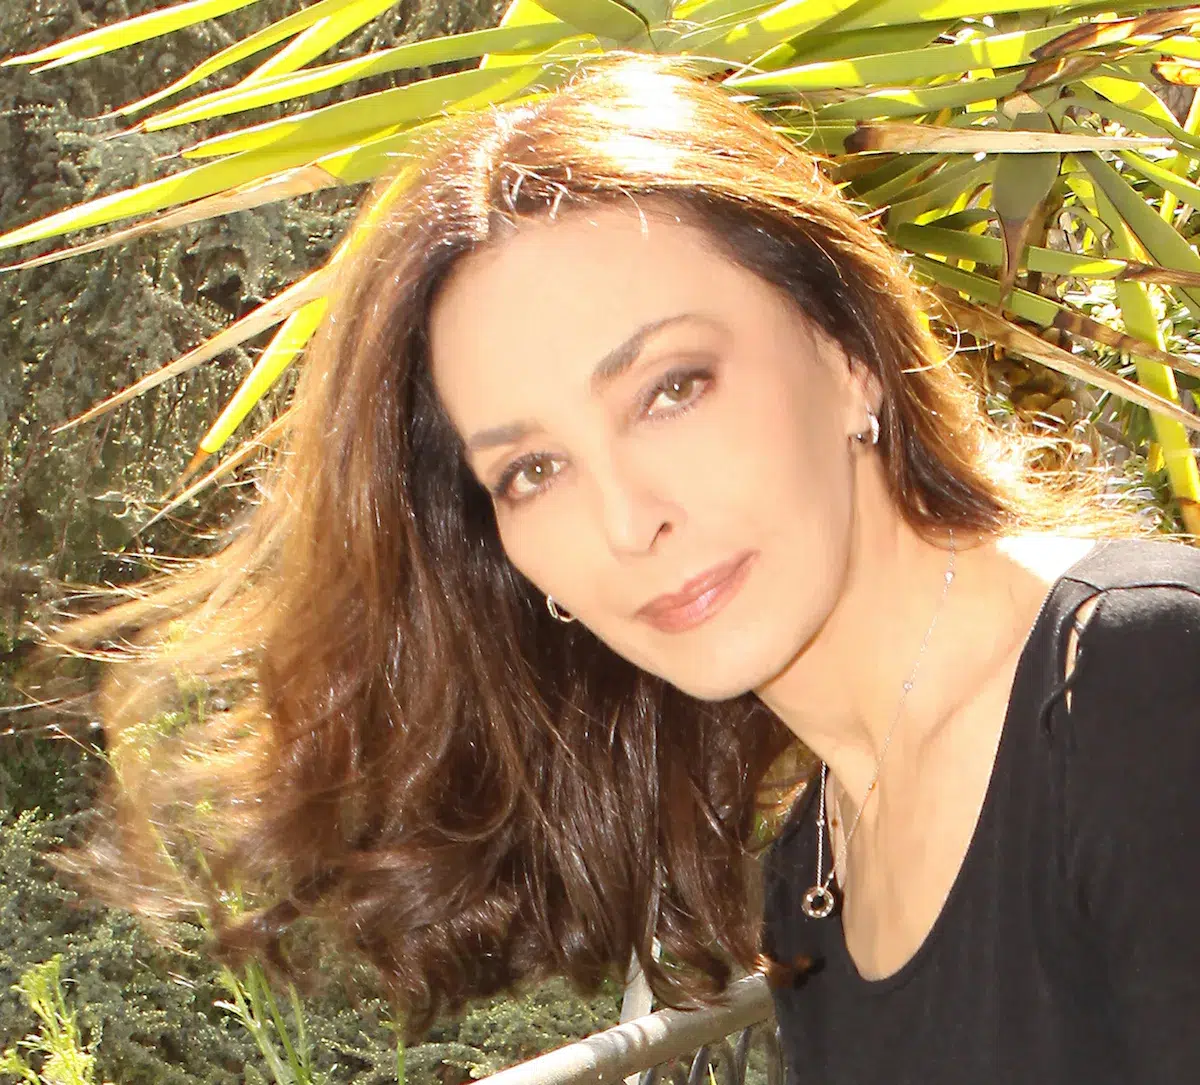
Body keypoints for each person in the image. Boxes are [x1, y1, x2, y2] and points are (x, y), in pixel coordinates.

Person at [61, 53, 1200, 1082]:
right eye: (533, 470)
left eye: (671, 388)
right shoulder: (817, 867)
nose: (625, 519)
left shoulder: (1136, 688)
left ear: (848, 351)